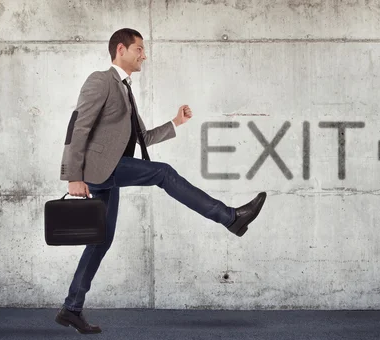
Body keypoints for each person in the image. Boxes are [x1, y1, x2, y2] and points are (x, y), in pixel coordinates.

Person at [53, 28, 267, 334]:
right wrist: (73, 176)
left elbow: (143, 138)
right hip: (99, 168)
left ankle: (71, 308)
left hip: (108, 172)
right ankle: (230, 217)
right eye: (139, 49)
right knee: (163, 173)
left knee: (101, 240)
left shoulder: (126, 90)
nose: (144, 55)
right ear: (121, 49)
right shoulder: (100, 80)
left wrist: (175, 123)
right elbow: (78, 128)